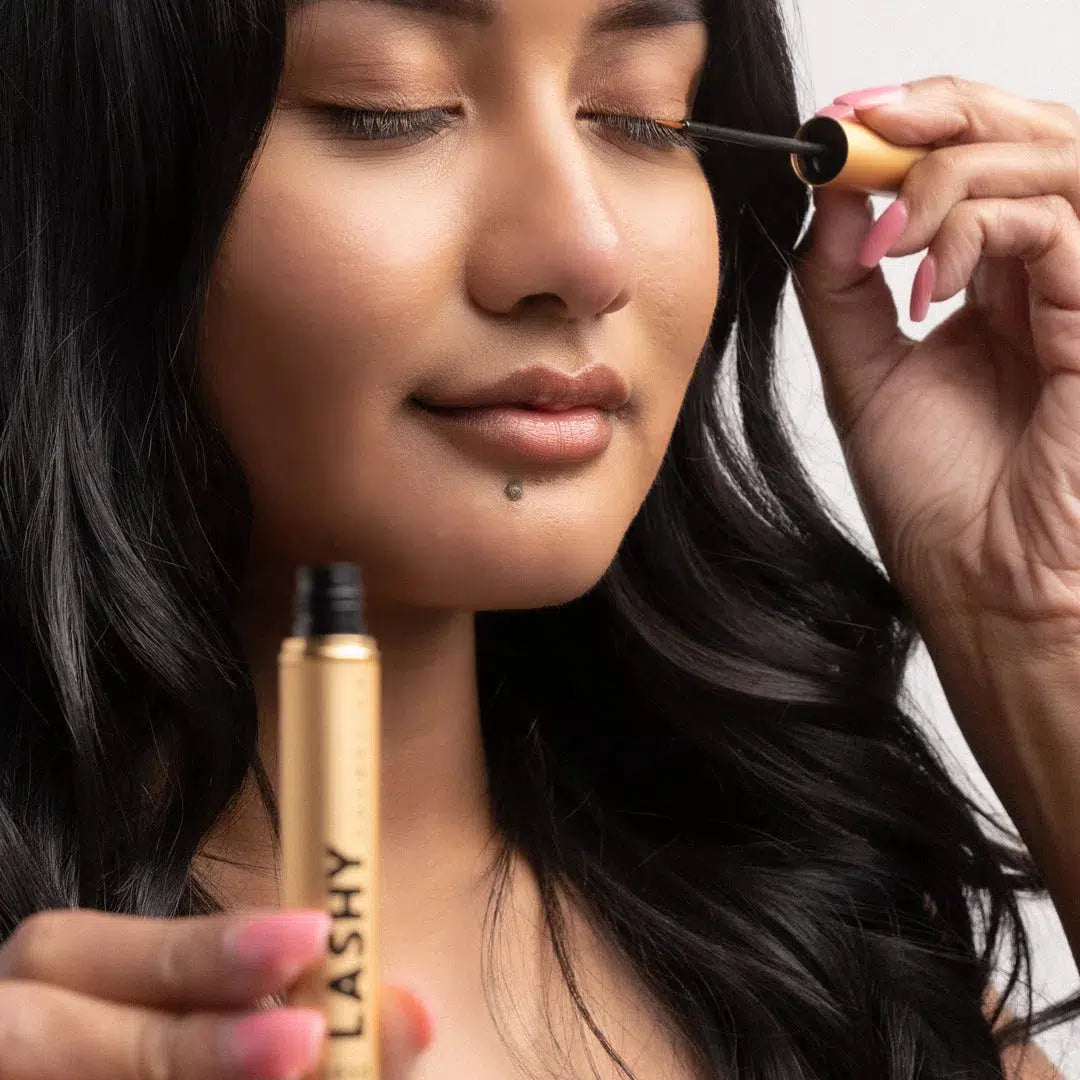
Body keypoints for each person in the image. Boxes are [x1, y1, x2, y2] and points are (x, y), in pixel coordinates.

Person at [1, 0, 1079, 1075]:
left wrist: (1035, 627)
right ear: (88, 177)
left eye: (645, 117)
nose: (583, 253)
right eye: (391, 106)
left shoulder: (829, 968)